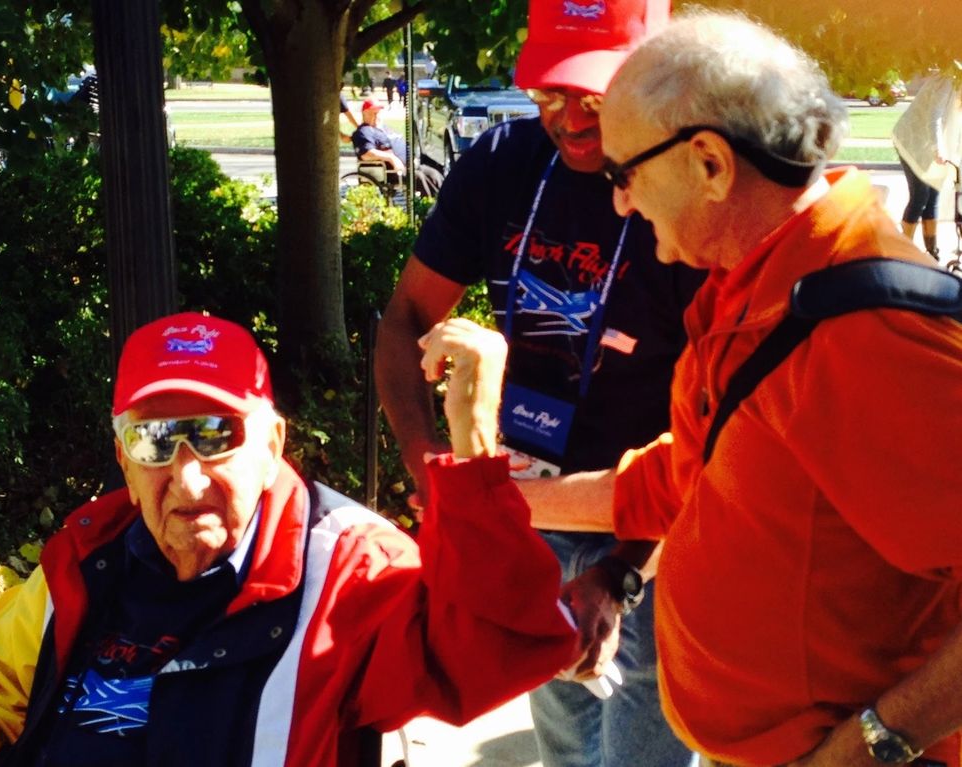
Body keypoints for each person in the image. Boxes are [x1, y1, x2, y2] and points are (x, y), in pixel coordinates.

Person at [561, 10, 962, 767]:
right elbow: (694, 476)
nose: (618, 201)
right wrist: (504, 502)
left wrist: (872, 741)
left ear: (708, 162)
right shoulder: (754, 284)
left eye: (622, 174)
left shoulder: (863, 327)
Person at [0, 312, 580, 767]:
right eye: (155, 441)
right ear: (124, 463)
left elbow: (501, 648)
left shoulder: (348, 571)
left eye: (216, 434)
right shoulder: (85, 562)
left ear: (272, 446)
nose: (187, 476)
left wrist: (471, 450)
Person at [375, 0, 702, 765]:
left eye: (591, 93)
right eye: (547, 91)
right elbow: (403, 318)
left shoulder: (687, 192)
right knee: (562, 737)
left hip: (649, 524)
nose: (566, 116)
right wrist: (425, 455)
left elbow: (712, 430)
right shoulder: (502, 162)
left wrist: (620, 573)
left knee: (641, 747)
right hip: (530, 504)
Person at [891, 73, 962, 260]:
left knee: (933, 196)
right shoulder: (948, 80)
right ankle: (902, 251)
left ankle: (931, 252)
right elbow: (935, 115)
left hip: (929, 146)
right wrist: (937, 147)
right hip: (911, 141)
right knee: (920, 195)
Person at [351, 99, 442, 197]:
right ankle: (428, 209)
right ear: (364, 114)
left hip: (407, 165)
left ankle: (444, 201)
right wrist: (392, 158)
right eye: (373, 113)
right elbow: (367, 154)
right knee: (418, 177)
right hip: (392, 171)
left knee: (433, 173)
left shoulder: (380, 128)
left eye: (378, 113)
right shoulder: (364, 131)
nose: (377, 116)